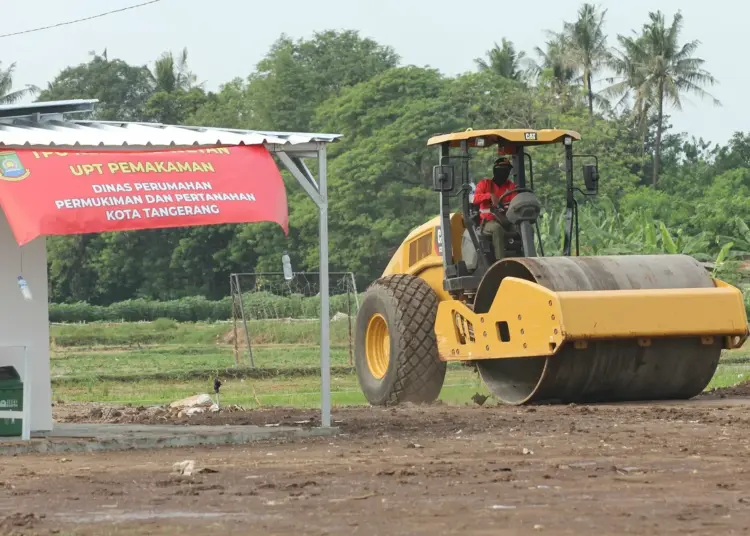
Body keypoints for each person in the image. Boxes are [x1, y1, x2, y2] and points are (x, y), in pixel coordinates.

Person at [472, 157, 518, 260]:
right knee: (497, 229)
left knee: (524, 228)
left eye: (507, 169)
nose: (505, 172)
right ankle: (500, 262)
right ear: (496, 170)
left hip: (506, 220)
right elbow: (475, 199)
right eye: (502, 169)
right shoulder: (485, 184)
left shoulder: (511, 186)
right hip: (488, 221)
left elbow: (515, 201)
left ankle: (527, 259)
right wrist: (489, 196)